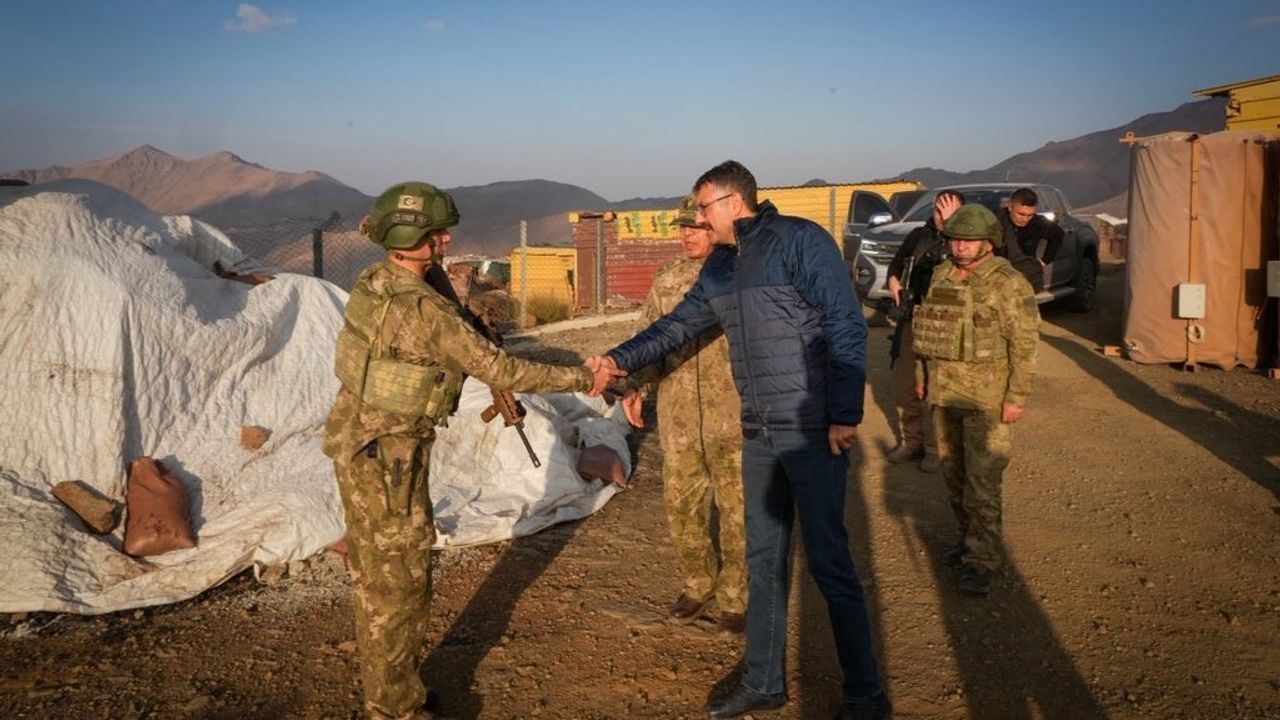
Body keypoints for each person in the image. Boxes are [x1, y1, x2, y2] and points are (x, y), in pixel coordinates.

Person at [591, 161, 890, 720]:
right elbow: (675, 326)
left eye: (703, 208)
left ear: (731, 202)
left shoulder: (799, 240)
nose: (698, 218)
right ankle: (762, 682)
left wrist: (845, 411)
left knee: (830, 564)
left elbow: (845, 322)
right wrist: (616, 360)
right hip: (758, 433)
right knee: (765, 557)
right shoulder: (722, 268)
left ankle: (865, 693)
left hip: (810, 429)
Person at [322, 181, 619, 720]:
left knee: (377, 573)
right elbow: (502, 369)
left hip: (359, 441)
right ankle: (392, 707)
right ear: (413, 236)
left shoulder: (377, 280)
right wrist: (584, 377)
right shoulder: (423, 310)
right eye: (437, 232)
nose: (447, 239)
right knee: (399, 584)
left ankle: (396, 690)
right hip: (388, 456)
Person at [620, 193, 747, 635]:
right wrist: (636, 383)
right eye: (682, 227)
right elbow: (651, 338)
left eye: (696, 226)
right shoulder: (669, 279)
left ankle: (736, 595)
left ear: (717, 227)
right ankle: (698, 584)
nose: (687, 234)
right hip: (678, 417)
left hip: (733, 415)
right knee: (683, 508)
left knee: (737, 510)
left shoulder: (744, 276)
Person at [910, 203, 1039, 597]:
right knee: (954, 477)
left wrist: (1015, 397)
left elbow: (1025, 345)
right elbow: (930, 331)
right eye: (955, 240)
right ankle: (968, 542)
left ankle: (983, 561)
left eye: (968, 241)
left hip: (986, 399)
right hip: (945, 395)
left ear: (988, 242)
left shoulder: (1009, 283)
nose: (961, 248)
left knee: (982, 483)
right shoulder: (942, 273)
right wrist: (922, 378)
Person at [883, 190, 965, 473]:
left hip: (945, 323)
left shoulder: (966, 241)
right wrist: (893, 280)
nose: (940, 216)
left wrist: (955, 226)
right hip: (913, 315)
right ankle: (912, 442)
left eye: (947, 211)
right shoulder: (919, 235)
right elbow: (897, 263)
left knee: (935, 389)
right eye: (937, 209)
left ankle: (935, 448)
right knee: (905, 383)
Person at [995, 187, 1064, 292]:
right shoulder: (995, 221)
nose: (1025, 219)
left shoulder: (1038, 223)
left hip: (1029, 279)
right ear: (1010, 207)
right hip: (999, 279)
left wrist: (1044, 261)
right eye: (1021, 214)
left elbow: (1058, 234)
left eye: (1029, 215)